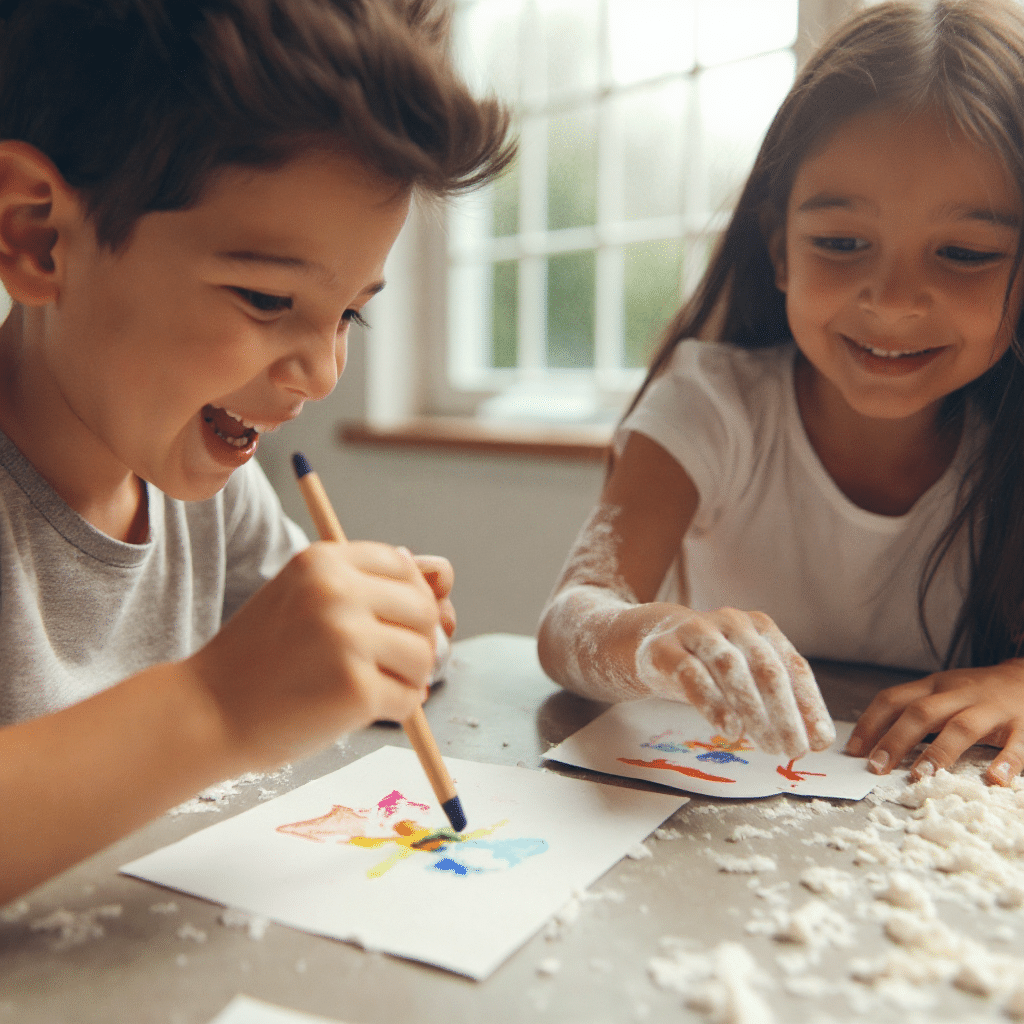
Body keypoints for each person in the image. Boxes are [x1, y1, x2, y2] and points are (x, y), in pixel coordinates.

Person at [0, 0, 513, 903]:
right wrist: (213, 709)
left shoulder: (210, 496)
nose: (322, 372)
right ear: (38, 236)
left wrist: (381, 634)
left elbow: (310, 662)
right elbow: (238, 696)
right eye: (267, 301)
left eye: (351, 311)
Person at [538, 0, 1024, 787]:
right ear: (781, 252)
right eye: (841, 243)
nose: (894, 300)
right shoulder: (711, 406)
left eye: (964, 252)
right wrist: (659, 638)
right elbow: (571, 620)